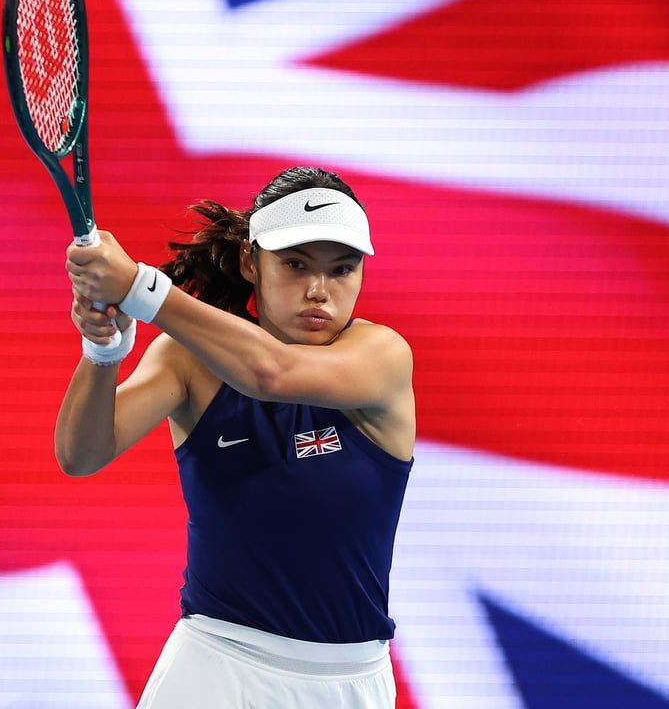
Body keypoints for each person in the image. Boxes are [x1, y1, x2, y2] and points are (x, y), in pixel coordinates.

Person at [57, 166, 415, 708]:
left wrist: (139, 289)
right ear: (251, 261)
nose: (319, 291)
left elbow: (272, 373)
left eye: (342, 269)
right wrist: (103, 351)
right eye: (295, 264)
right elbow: (81, 454)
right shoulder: (188, 360)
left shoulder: (383, 356)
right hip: (214, 666)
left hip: (351, 681)